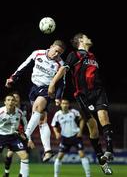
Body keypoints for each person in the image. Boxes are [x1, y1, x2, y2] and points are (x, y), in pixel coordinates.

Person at [48, 33, 113, 175]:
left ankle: (109, 151)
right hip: (83, 95)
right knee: (93, 128)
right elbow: (63, 69)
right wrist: (52, 83)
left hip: (98, 91)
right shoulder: (74, 55)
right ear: (80, 41)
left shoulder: (93, 57)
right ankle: (101, 160)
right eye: (86, 36)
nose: (89, 38)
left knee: (104, 116)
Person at [5, 40, 66, 162]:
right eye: (56, 51)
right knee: (41, 120)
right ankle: (48, 151)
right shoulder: (37, 54)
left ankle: (25, 135)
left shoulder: (60, 64)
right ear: (51, 47)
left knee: (37, 108)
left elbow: (62, 83)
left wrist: (58, 96)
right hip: (34, 88)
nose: (56, 54)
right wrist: (13, 78)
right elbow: (24, 65)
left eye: (59, 53)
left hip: (47, 91)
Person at [51, 99, 91, 177]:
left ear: (69, 104)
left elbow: (82, 120)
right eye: (63, 103)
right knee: (59, 156)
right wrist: (56, 133)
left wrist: (80, 131)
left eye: (66, 103)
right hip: (65, 138)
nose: (65, 105)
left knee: (82, 154)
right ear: (60, 105)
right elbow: (54, 125)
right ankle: (56, 175)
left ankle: (88, 175)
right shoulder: (57, 114)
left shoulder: (74, 112)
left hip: (75, 136)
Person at [3, 91, 35, 177]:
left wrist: (29, 139)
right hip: (6, 135)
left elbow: (26, 124)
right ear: (5, 101)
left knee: (24, 156)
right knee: (9, 154)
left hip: (19, 135)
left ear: (18, 100)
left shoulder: (22, 110)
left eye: (15, 98)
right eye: (9, 99)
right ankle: (6, 173)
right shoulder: (2, 111)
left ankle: (22, 174)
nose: (12, 101)